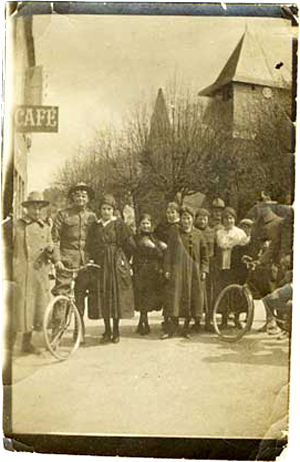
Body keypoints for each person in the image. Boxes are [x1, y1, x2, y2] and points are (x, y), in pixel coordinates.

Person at [51, 182, 97, 343]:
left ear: (88, 199)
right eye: (77, 194)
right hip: (65, 261)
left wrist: (94, 260)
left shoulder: (92, 217)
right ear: (72, 197)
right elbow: (54, 240)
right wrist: (57, 260)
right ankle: (56, 334)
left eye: (84, 195)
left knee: (80, 296)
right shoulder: (62, 215)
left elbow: (96, 241)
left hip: (85, 262)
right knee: (61, 295)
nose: (80, 197)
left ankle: (79, 330)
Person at [86, 194, 135, 344]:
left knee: (116, 296)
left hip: (115, 265)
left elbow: (130, 245)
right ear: (100, 210)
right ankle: (106, 330)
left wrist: (123, 260)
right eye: (103, 209)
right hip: (101, 266)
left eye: (109, 209)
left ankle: (116, 330)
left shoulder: (119, 225)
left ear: (113, 210)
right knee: (103, 297)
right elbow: (90, 246)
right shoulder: (95, 226)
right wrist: (93, 259)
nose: (106, 212)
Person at [12, 192, 53, 354]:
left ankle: (27, 343)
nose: (36, 212)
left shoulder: (46, 227)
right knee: (18, 308)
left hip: (39, 273)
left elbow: (51, 249)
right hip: (22, 271)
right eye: (33, 208)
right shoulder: (17, 226)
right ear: (27, 209)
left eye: (39, 209)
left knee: (36, 308)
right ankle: (9, 346)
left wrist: (51, 251)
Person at [163, 205, 209, 339]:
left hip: (193, 272)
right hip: (177, 270)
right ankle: (173, 327)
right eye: (184, 218)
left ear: (193, 219)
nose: (186, 221)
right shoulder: (175, 233)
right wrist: (167, 269)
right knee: (175, 298)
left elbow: (205, 255)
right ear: (180, 219)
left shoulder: (198, 234)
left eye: (188, 218)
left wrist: (204, 270)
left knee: (191, 297)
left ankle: (186, 328)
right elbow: (169, 253)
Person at [214, 207, 250, 326]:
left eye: (231, 218)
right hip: (223, 266)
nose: (228, 221)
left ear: (234, 219)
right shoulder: (219, 233)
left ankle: (236, 318)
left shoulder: (240, 233)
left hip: (236, 268)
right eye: (226, 218)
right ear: (222, 220)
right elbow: (220, 247)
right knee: (223, 292)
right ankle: (224, 319)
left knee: (236, 292)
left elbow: (245, 248)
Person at [132, 214, 167, 335]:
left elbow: (160, 254)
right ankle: (143, 322)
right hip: (140, 270)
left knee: (149, 297)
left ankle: (145, 321)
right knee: (141, 297)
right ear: (139, 225)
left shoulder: (154, 238)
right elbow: (132, 252)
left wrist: (154, 246)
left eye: (148, 223)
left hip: (152, 271)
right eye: (143, 223)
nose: (146, 226)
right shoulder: (135, 238)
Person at [154, 201, 181, 334]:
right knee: (166, 291)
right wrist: (160, 244)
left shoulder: (181, 226)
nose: (170, 215)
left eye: (173, 212)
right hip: (163, 261)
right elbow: (154, 239)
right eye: (168, 212)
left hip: (177, 261)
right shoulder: (162, 226)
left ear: (177, 213)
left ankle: (176, 320)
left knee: (176, 291)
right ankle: (166, 319)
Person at [194, 208, 216, 331]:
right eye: (200, 218)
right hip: (197, 265)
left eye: (205, 219)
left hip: (211, 267)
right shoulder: (194, 232)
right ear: (196, 219)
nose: (202, 221)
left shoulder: (212, 232)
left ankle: (209, 321)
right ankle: (197, 321)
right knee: (197, 294)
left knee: (209, 294)